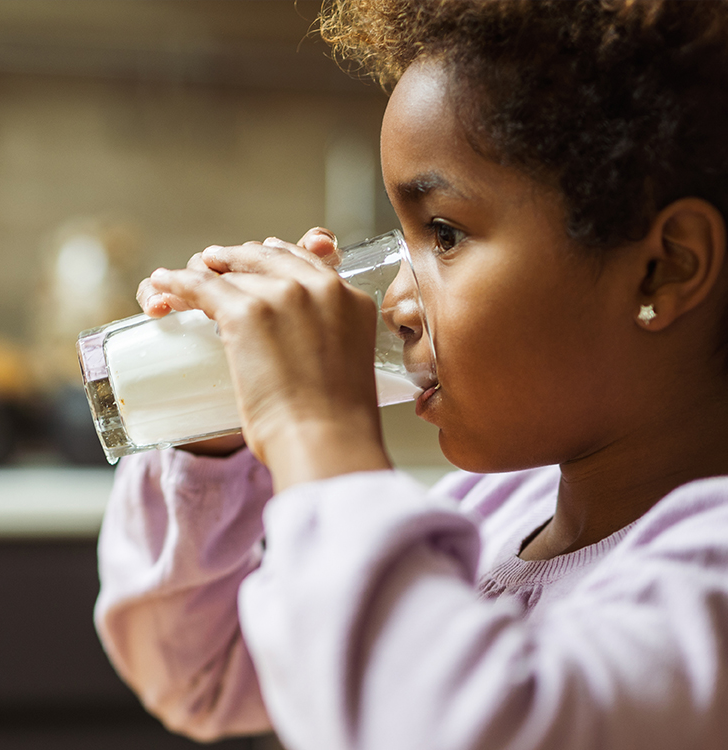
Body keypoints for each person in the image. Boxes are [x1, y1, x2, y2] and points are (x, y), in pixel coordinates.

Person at [94, 1, 728, 748]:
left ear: (664, 267)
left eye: (445, 234)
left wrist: (315, 430)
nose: (392, 301)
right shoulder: (486, 510)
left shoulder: (707, 582)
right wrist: (224, 437)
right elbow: (206, 674)